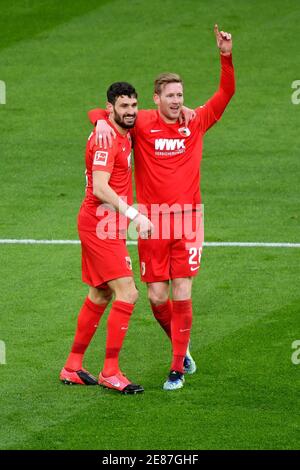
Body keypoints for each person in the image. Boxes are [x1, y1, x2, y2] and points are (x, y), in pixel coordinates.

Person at [88, 25, 235, 391]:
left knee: (182, 290)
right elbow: (106, 113)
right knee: (155, 297)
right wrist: (100, 124)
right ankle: (181, 347)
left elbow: (226, 93)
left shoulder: (196, 121)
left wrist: (225, 55)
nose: (175, 100)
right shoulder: (141, 123)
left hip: (188, 222)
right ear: (156, 98)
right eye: (169, 95)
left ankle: (176, 369)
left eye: (179, 95)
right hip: (152, 224)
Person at [60, 82, 153, 394]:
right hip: (100, 224)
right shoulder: (106, 140)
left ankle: (72, 366)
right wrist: (135, 215)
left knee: (100, 294)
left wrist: (100, 117)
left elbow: (96, 113)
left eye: (133, 106)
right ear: (111, 107)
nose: (130, 112)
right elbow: (100, 188)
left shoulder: (113, 128)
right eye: (123, 107)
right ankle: (110, 372)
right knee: (128, 293)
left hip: (105, 224)